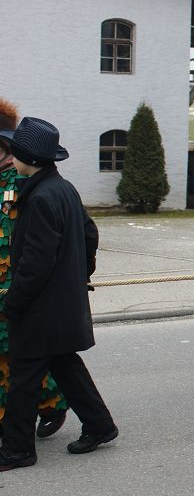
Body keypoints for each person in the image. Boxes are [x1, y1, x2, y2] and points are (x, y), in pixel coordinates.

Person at [0, 117, 116, 471]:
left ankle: (17, 450)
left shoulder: (39, 197)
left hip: (41, 307)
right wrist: (80, 272)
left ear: (25, 158)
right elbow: (89, 233)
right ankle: (99, 425)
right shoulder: (61, 187)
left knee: (23, 377)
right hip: (61, 301)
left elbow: (35, 265)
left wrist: (11, 304)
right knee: (65, 365)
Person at [0, 100, 68, 440]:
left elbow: (43, 243)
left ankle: (49, 407)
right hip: (12, 283)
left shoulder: (27, 183)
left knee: (22, 360)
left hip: (21, 283)